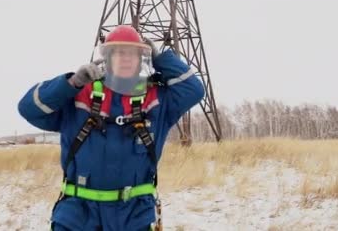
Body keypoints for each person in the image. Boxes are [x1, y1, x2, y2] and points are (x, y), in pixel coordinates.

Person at [17, 25, 205, 230]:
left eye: (132, 53)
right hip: (78, 215)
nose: (125, 58)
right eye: (119, 53)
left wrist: (161, 58)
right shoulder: (79, 96)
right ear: (107, 58)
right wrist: (71, 83)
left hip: (134, 215)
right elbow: (28, 108)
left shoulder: (156, 100)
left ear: (142, 58)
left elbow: (193, 90)